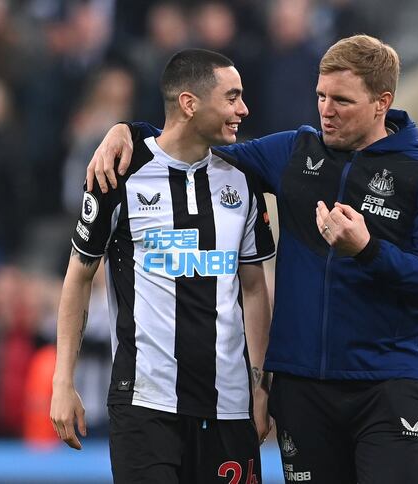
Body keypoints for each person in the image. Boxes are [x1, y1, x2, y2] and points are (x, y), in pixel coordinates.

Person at [87, 35, 418, 483]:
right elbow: (195, 142)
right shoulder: (293, 153)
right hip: (302, 390)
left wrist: (368, 250)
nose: (326, 110)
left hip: (386, 386)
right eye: (321, 96)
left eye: (342, 100)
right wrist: (129, 131)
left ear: (382, 102)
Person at [50, 49, 275, 483]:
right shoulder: (117, 171)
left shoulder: (243, 177)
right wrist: (63, 381)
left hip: (228, 406)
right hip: (144, 404)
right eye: (232, 98)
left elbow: (253, 287)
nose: (243, 110)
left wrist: (260, 388)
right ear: (190, 104)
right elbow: (79, 276)